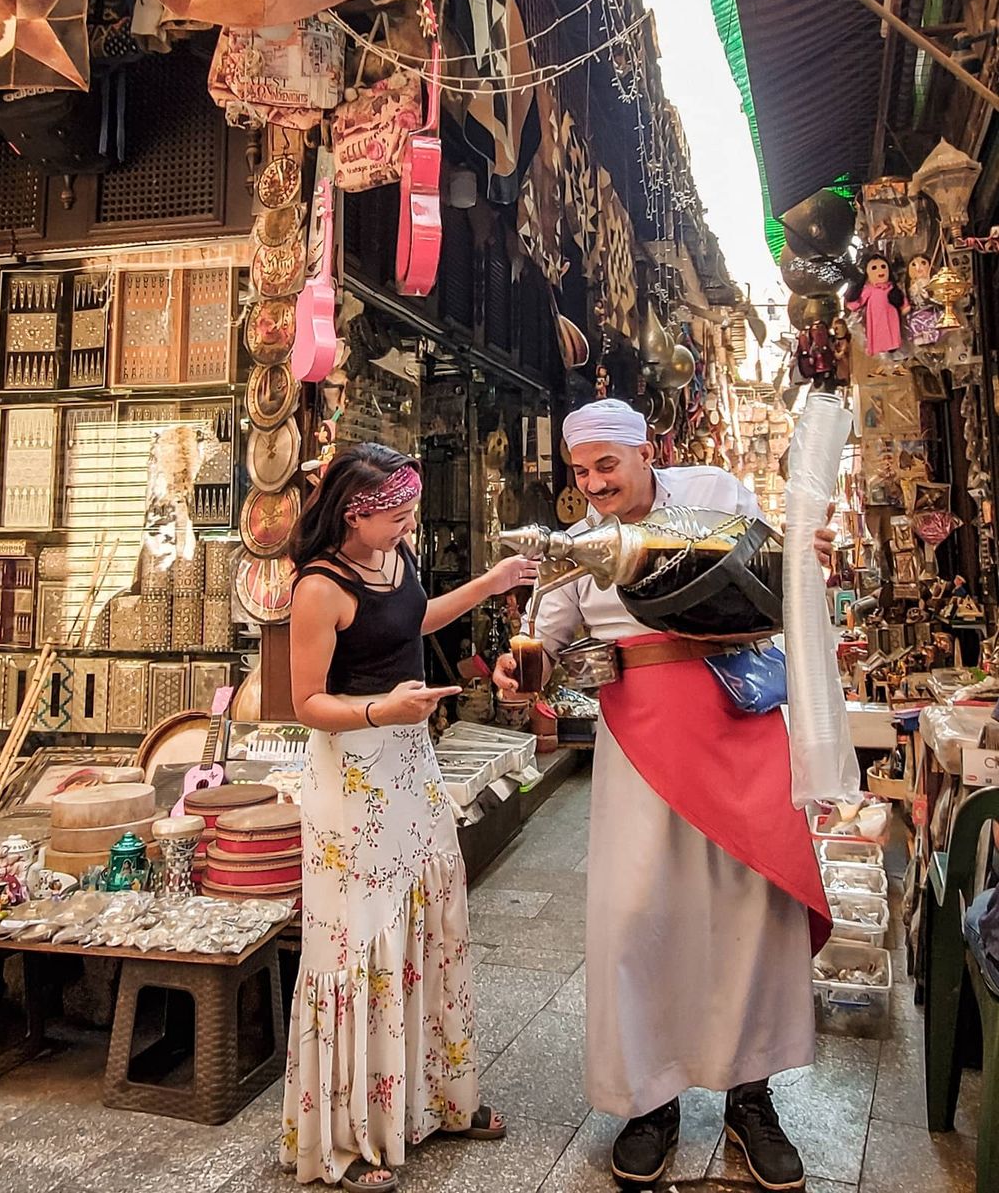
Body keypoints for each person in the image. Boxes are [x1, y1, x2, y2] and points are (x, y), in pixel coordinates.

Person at [493, 399, 835, 1192]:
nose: (593, 483)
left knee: (754, 907)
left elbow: (778, 569)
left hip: (738, 720)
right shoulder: (576, 545)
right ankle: (653, 1099)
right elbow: (546, 635)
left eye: (606, 465)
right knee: (640, 916)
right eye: (580, 472)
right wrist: (521, 671)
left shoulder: (714, 490)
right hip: (640, 738)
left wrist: (808, 556)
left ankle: (753, 1097)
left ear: (648, 451)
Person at [280, 442, 539, 1192]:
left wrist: (491, 583)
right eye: (395, 516)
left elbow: (414, 617)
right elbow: (305, 704)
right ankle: (351, 1138)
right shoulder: (317, 587)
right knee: (360, 942)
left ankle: (433, 1100)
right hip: (350, 777)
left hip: (411, 767)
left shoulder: (394, 558)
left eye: (409, 513)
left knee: (429, 924)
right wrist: (380, 707)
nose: (406, 525)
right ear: (354, 515)